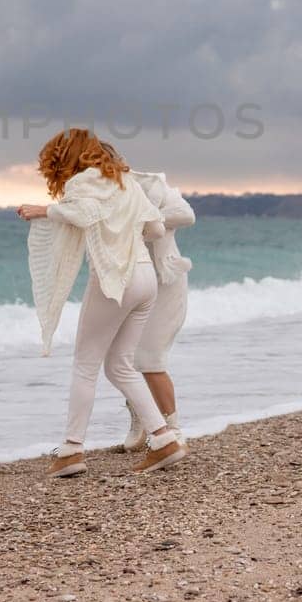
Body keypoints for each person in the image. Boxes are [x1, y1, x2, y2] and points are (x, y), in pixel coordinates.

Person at [17, 128, 186, 477]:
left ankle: (71, 450)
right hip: (145, 279)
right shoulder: (126, 182)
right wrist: (125, 232)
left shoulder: (82, 184)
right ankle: (164, 438)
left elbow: (84, 215)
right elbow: (155, 228)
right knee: (120, 366)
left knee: (85, 365)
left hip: (116, 281)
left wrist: (44, 211)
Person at [115, 161, 195, 453]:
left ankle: (173, 428)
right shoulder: (105, 194)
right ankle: (141, 422)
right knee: (124, 359)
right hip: (131, 282)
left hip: (166, 282)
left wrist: (145, 216)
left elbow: (187, 215)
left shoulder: (152, 186)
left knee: (150, 359)